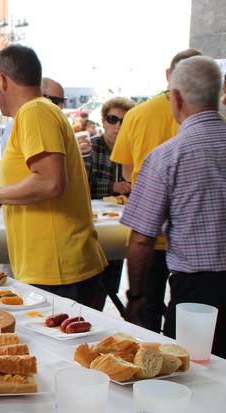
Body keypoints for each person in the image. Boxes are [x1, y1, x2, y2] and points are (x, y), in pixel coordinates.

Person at [0, 45, 107, 307]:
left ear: (2, 80)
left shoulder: (34, 112)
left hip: (58, 272)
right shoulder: (38, 112)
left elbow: (49, 181)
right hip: (52, 269)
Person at [121, 55, 226, 358]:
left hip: (197, 293)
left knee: (194, 374)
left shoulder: (167, 157)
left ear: (176, 99)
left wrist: (136, 295)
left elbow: (142, 239)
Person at [110, 48, 202, 333]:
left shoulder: (138, 115)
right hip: (195, 240)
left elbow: (126, 172)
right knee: (191, 319)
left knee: (145, 317)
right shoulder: (215, 124)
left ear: (169, 76)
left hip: (148, 234)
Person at [83, 97, 135, 311]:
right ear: (103, 121)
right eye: (113, 119)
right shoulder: (90, 147)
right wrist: (114, 187)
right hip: (93, 224)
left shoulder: (133, 149)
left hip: (120, 224)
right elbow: (83, 187)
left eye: (124, 120)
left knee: (109, 284)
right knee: (90, 282)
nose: (117, 125)